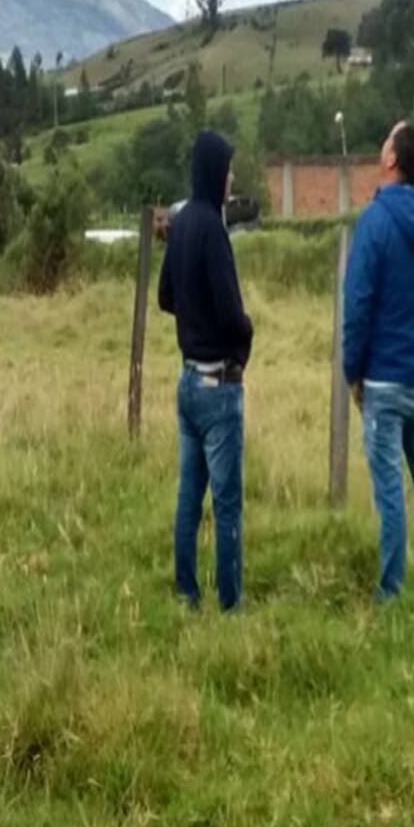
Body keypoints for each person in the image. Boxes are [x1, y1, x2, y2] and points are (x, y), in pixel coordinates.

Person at [343, 121, 414, 601]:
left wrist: (354, 372)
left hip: (383, 383)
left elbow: (358, 305)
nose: (380, 145)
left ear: (392, 159)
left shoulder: (373, 223)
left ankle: (390, 591)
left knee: (389, 486)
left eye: (384, 139)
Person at [158, 130, 253, 612]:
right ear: (215, 171)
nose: (232, 176)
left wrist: (191, 319)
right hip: (218, 385)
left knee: (188, 497)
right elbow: (231, 310)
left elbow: (164, 298)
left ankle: (186, 592)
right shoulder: (214, 231)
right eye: (229, 168)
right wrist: (245, 334)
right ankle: (232, 604)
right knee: (228, 503)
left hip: (186, 381)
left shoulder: (180, 225)